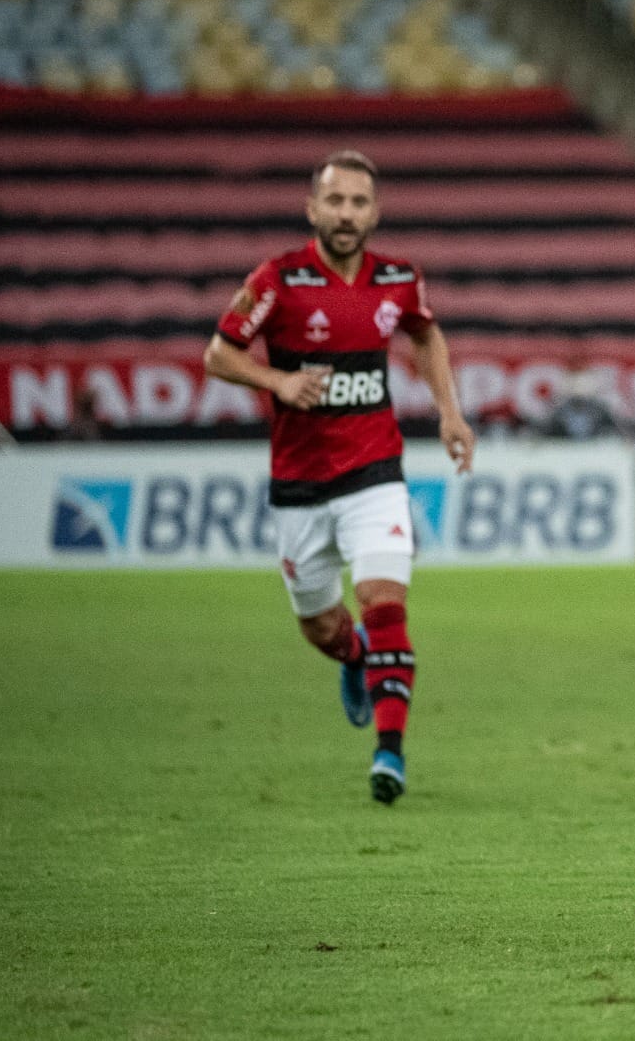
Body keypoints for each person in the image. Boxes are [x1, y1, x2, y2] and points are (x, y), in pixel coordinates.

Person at [203, 149, 474, 804]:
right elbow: (219, 353)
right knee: (323, 628)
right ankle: (354, 658)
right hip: (299, 485)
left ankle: (390, 752)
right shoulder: (278, 280)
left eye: (358, 202)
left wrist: (450, 412)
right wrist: (278, 381)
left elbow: (425, 335)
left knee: (385, 600)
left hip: (374, 471)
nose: (347, 213)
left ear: (375, 212)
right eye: (335, 200)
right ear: (313, 208)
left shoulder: (400, 279)